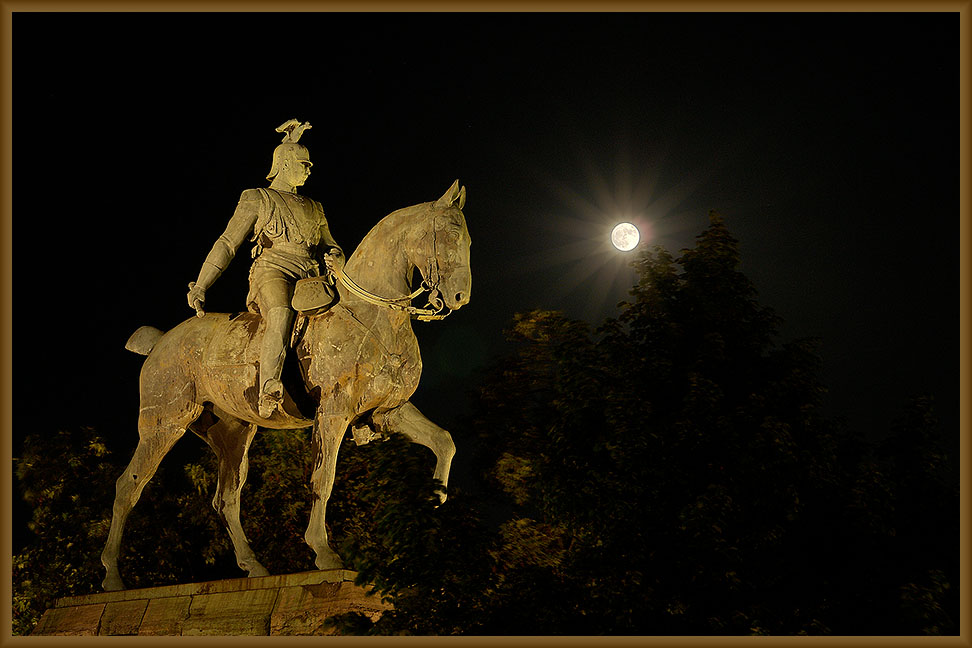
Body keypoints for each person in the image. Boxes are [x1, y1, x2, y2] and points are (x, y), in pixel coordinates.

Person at [187, 119, 345, 417]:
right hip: (273, 270)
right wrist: (201, 284)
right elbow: (227, 243)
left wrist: (338, 257)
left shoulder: (315, 206)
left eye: (309, 165)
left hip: (313, 277)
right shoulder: (257, 197)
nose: (309, 169)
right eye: (303, 163)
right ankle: (268, 385)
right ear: (284, 163)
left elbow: (331, 244)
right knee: (281, 311)